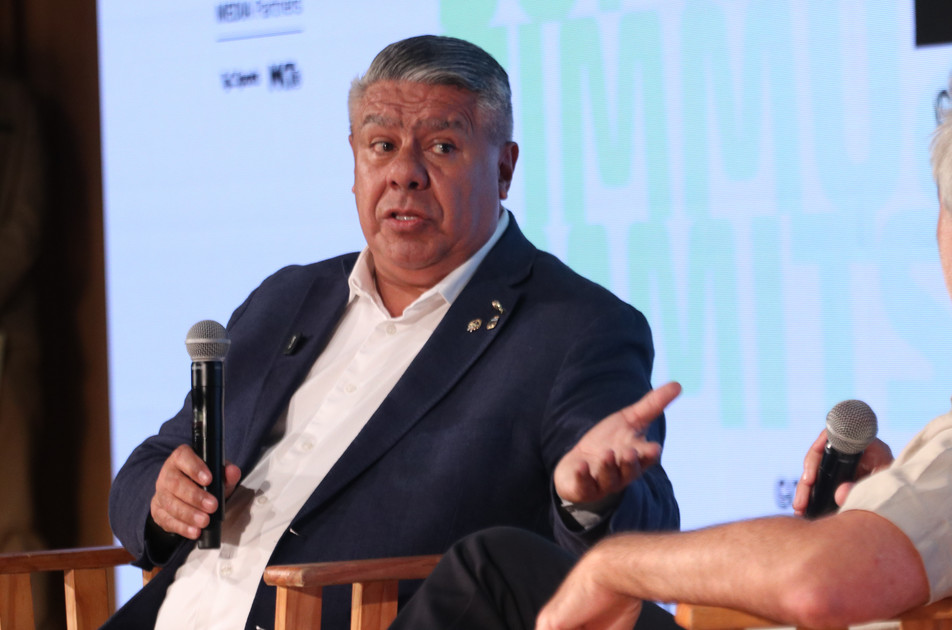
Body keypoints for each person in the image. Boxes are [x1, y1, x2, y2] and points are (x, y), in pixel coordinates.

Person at [387, 41, 952, 630]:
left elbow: (817, 585)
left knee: (491, 573)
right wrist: (895, 503)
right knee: (507, 567)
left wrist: (615, 564)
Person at [104, 35, 679, 629]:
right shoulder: (288, 298)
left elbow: (645, 544)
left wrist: (593, 501)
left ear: (504, 169)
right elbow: (149, 467)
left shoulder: (575, 328)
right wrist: (163, 498)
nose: (405, 173)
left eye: (442, 147)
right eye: (382, 146)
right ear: (355, 163)